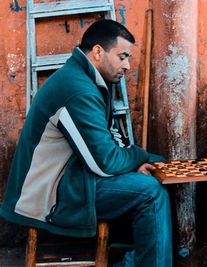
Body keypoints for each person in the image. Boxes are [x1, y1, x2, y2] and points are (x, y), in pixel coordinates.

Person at [0, 20, 172, 267]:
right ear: (99, 52)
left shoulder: (86, 80)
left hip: (72, 178)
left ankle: (133, 261)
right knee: (150, 191)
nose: (127, 65)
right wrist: (139, 157)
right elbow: (105, 163)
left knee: (159, 167)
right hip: (45, 195)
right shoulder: (78, 89)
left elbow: (105, 148)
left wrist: (141, 161)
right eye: (122, 56)